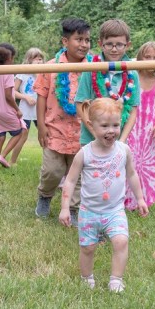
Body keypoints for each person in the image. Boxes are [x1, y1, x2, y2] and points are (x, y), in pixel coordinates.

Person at [59, 98, 149, 292]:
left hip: (114, 210)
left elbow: (132, 174)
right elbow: (70, 181)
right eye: (105, 125)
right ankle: (86, 277)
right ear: (91, 125)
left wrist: (140, 198)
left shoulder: (123, 151)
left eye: (116, 125)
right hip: (89, 211)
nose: (111, 130)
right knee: (88, 248)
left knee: (121, 241)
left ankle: (116, 279)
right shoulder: (85, 154)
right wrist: (65, 208)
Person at [33, 18, 91, 220]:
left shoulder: (94, 68)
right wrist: (41, 125)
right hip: (54, 130)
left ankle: (74, 210)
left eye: (87, 40)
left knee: (79, 176)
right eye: (79, 39)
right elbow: (41, 95)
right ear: (65, 42)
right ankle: (45, 195)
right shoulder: (51, 67)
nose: (84, 44)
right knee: (53, 170)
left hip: (82, 132)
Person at [75, 19, 141, 146]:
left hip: (118, 142)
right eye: (109, 44)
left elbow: (133, 111)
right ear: (101, 44)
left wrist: (122, 141)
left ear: (128, 45)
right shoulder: (90, 69)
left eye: (119, 45)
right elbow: (80, 105)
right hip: (91, 141)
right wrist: (97, 135)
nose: (114, 49)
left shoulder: (133, 74)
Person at [125, 41, 155, 210]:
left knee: (145, 164)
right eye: (147, 56)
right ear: (140, 57)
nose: (151, 60)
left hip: (149, 130)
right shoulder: (132, 76)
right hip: (132, 127)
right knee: (129, 161)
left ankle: (143, 200)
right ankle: (125, 200)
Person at [0, 43, 26, 169]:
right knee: (20, 131)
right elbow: (8, 96)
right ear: (8, 58)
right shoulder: (8, 73)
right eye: (13, 58)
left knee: (1, 137)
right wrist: (17, 109)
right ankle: (2, 156)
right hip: (6, 110)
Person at [11, 47, 46, 166]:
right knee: (23, 135)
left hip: (40, 111)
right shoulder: (22, 74)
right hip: (25, 110)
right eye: (36, 59)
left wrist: (39, 75)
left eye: (40, 59)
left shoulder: (44, 74)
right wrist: (26, 97)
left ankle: (49, 162)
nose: (39, 61)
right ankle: (12, 161)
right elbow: (13, 92)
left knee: (44, 135)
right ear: (29, 60)